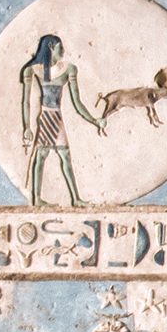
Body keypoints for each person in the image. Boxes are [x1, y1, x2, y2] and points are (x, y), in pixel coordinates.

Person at [21, 34, 105, 207]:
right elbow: (26, 101)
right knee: (41, 156)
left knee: (64, 156)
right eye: (60, 47)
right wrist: (27, 127)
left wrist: (94, 120)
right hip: (45, 117)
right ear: (51, 47)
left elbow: (77, 102)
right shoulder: (32, 70)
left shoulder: (69, 69)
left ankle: (75, 199)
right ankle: (36, 199)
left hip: (56, 118)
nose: (63, 51)